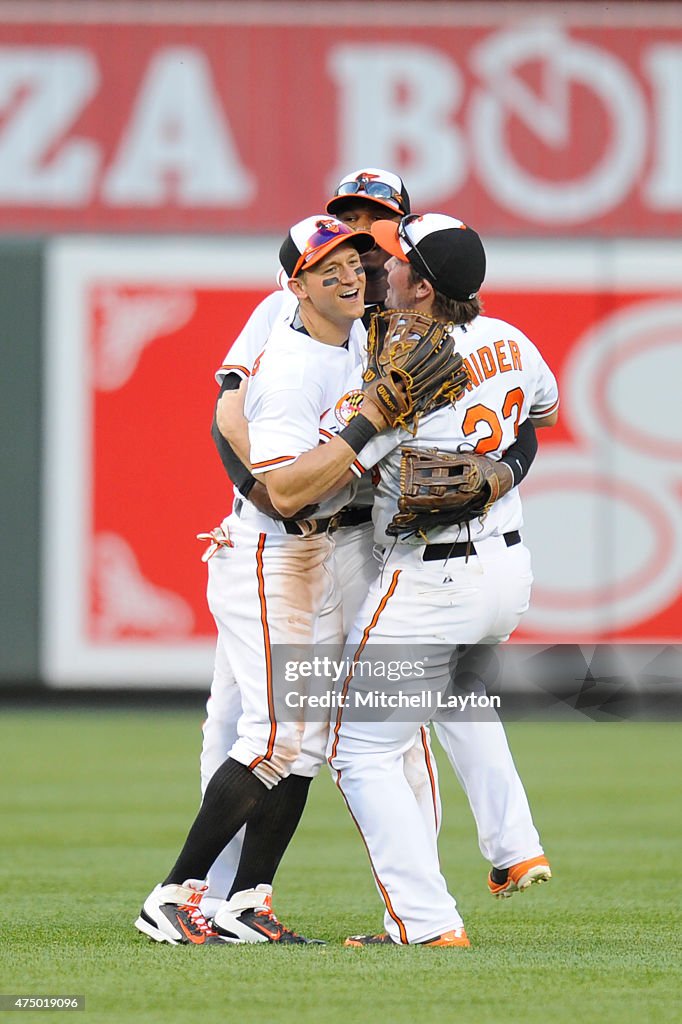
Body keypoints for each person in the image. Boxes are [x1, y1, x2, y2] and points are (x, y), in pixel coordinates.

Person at [135, 214, 421, 946]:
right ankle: (173, 895)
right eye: (329, 268)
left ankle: (245, 903)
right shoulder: (292, 371)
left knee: (309, 744)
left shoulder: (357, 333)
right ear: (297, 285)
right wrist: (366, 431)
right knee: (269, 739)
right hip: (272, 556)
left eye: (355, 261)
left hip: (318, 556)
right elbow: (288, 493)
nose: (351, 275)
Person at [324, 212, 559, 945]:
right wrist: (502, 472)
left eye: (394, 262)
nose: (379, 269)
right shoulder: (511, 339)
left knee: (358, 749)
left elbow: (333, 476)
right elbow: (537, 418)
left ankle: (425, 923)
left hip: (432, 578)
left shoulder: (407, 368)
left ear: (422, 288)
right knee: (455, 690)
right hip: (507, 570)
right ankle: (515, 847)